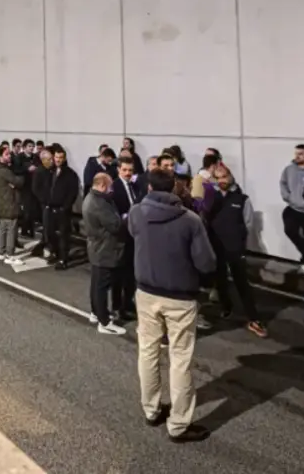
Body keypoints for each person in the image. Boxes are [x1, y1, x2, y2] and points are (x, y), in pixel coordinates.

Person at [129, 168, 215, 443]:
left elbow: (132, 234)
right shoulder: (190, 220)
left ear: (150, 188)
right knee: (180, 359)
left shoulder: (137, 213)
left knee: (148, 352)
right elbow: (206, 263)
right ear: (176, 187)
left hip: (146, 293)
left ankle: (151, 409)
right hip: (180, 297)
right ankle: (178, 424)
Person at [201, 165, 267, 338]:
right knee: (220, 281)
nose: (222, 180)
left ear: (230, 177)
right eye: (218, 177)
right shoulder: (210, 199)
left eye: (225, 177)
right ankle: (226, 307)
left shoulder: (242, 199)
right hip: (215, 247)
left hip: (235, 248)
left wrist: (239, 241)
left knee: (242, 283)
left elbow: (248, 223)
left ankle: (254, 318)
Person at [84, 173, 128, 336]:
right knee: (102, 286)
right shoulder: (99, 203)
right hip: (104, 249)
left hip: (97, 248)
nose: (112, 190)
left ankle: (96, 312)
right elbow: (115, 225)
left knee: (96, 284)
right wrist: (125, 218)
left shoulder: (90, 198)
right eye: (110, 187)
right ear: (102, 185)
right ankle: (105, 322)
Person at [34, 146, 79, 269]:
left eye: (61, 157)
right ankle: (55, 252)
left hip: (62, 210)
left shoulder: (71, 174)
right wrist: (45, 201)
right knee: (49, 233)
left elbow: (72, 193)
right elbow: (40, 187)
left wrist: (65, 207)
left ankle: (63, 259)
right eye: (56, 157)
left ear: (64, 159)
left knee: (64, 234)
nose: (58, 160)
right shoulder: (49, 171)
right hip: (48, 208)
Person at [110, 156, 142, 318]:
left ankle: (128, 303)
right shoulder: (114, 188)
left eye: (130, 170)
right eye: (125, 170)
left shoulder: (135, 187)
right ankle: (116, 305)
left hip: (134, 237)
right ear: (118, 170)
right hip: (120, 237)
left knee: (131, 274)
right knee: (118, 274)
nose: (128, 173)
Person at [280, 144, 304, 274]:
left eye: (301, 154)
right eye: (296, 153)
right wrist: (288, 197)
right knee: (290, 230)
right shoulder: (289, 170)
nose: (297, 156)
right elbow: (283, 183)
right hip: (292, 208)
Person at [0, 145, 25, 261]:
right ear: (0, 157)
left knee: (3, 227)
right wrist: (17, 181)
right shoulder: (4, 171)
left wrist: (13, 185)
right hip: (9, 202)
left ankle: (1, 252)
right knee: (11, 228)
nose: (9, 156)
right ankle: (10, 254)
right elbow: (18, 182)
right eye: (7, 154)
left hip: (1, 202)